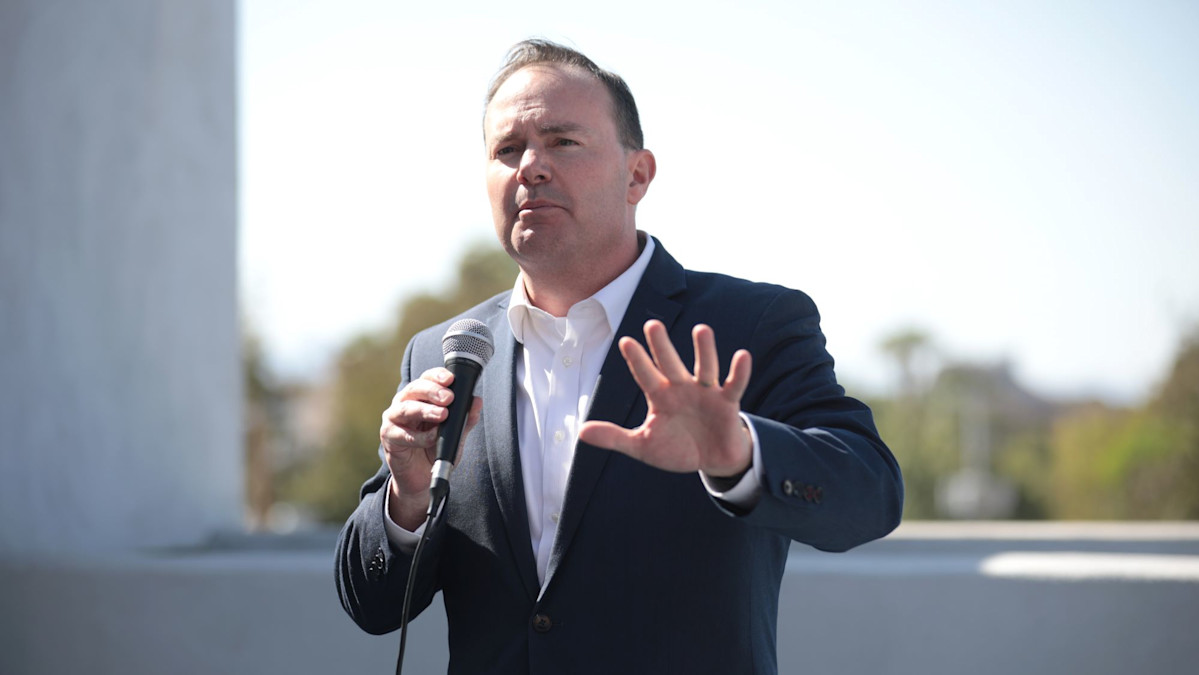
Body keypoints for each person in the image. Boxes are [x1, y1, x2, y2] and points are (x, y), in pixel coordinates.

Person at [336, 39, 903, 674]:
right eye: (507, 150)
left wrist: (738, 453)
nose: (531, 167)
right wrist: (407, 500)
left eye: (562, 142)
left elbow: (870, 496)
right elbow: (372, 605)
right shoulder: (446, 353)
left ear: (638, 175)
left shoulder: (750, 325)